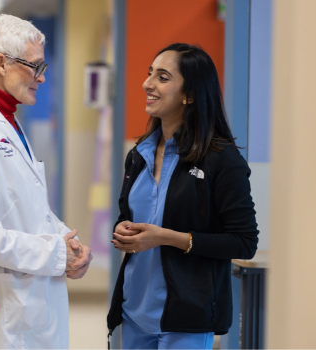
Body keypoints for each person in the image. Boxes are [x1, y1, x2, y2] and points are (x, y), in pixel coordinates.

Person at [0, 12, 93, 349]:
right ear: (2, 63)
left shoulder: (7, 124)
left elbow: (28, 206)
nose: (41, 77)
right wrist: (55, 253)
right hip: (4, 308)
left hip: (32, 299)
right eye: (35, 66)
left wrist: (66, 240)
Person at [107, 43, 259, 349]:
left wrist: (168, 238)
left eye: (163, 77)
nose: (147, 84)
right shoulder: (139, 154)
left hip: (187, 318)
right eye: (150, 73)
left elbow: (244, 241)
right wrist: (123, 227)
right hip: (133, 310)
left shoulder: (221, 159)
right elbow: (132, 215)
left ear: (189, 95)